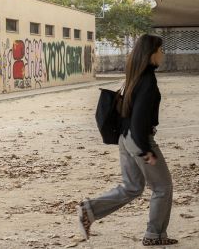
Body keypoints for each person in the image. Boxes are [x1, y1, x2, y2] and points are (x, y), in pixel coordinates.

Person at [77, 34, 177, 246]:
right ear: (151, 54)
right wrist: (144, 149)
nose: (163, 53)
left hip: (125, 138)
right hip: (138, 139)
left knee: (132, 187)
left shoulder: (134, 75)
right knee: (163, 187)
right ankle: (155, 235)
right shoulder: (148, 81)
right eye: (161, 50)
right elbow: (140, 118)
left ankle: (90, 209)